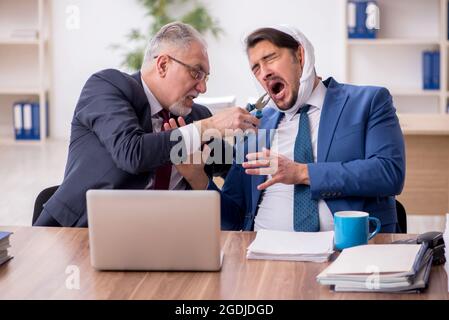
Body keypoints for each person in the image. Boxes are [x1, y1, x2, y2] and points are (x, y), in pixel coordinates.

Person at [172, 25, 405, 233]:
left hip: (349, 249)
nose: (264, 73)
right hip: (263, 259)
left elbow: (389, 173)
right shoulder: (255, 124)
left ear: (300, 55)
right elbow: (234, 218)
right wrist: (198, 178)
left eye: (270, 58)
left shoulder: (368, 101)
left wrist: (302, 173)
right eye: (255, 68)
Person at [34, 22, 259, 227]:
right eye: (196, 73)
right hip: (83, 236)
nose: (202, 88)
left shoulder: (195, 116)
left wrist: (199, 176)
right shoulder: (108, 87)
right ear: (162, 65)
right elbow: (132, 153)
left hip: (169, 242)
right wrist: (209, 125)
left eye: (205, 77)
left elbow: (236, 173)